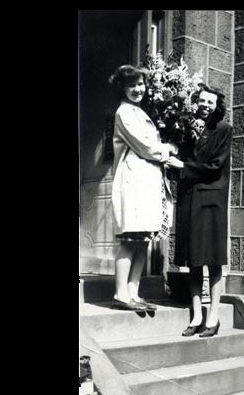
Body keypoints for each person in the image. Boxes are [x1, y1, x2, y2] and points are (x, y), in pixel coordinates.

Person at [108, 65, 177, 312]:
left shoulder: (139, 112)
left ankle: (133, 293)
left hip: (146, 182)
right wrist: (168, 149)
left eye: (140, 84)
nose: (138, 89)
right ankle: (120, 293)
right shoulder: (124, 113)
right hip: (133, 181)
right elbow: (146, 147)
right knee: (130, 239)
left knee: (142, 240)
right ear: (122, 88)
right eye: (131, 85)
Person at [165, 85, 232, 338]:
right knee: (193, 261)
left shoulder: (223, 129)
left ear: (217, 106)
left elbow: (215, 166)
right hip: (189, 199)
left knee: (213, 261)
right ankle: (196, 316)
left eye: (210, 102)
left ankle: (213, 317)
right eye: (202, 100)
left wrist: (182, 165)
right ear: (196, 102)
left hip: (211, 201)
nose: (205, 105)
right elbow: (178, 162)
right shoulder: (186, 128)